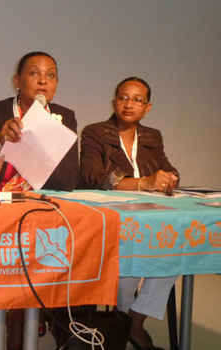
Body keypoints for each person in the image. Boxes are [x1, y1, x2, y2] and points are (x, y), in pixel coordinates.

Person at [0, 51, 79, 350]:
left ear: (56, 85)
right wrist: (0, 140)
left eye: (50, 75)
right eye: (34, 73)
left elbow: (67, 182)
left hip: (37, 212)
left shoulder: (65, 116)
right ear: (17, 81)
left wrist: (46, 138)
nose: (43, 80)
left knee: (30, 278)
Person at [80, 77, 178, 350]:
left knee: (174, 256)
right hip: (111, 219)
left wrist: (169, 178)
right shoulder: (95, 132)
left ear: (147, 108)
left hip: (147, 217)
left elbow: (169, 168)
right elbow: (92, 176)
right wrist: (142, 182)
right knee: (129, 266)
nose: (129, 104)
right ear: (114, 102)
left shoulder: (152, 136)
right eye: (123, 97)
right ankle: (125, 325)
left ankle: (133, 321)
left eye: (137, 99)